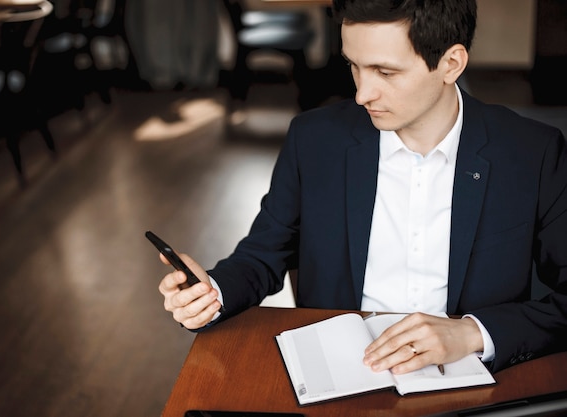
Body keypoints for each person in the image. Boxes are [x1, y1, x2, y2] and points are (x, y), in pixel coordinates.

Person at [158, 0, 567, 374]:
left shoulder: (533, 152)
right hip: (342, 374)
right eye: (354, 65)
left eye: (385, 72)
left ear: (451, 63)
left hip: (477, 377)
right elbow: (263, 254)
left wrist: (472, 334)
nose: (362, 94)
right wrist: (212, 292)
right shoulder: (314, 139)